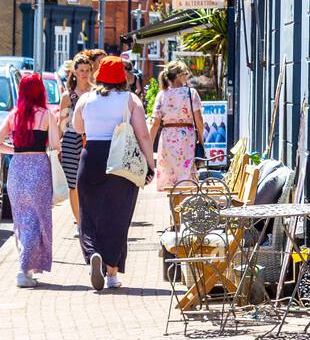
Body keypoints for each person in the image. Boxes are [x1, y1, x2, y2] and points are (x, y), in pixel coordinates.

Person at [72, 56, 155, 291]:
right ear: (122, 77)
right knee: (118, 214)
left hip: (91, 157)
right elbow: (144, 135)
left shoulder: (86, 99)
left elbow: (78, 128)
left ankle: (93, 253)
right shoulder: (130, 100)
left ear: (99, 75)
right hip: (121, 159)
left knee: (88, 212)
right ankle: (111, 273)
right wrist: (149, 165)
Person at [0, 73, 60, 288]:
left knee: (22, 220)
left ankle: (27, 269)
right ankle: (23, 270)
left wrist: (15, 149)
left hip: (18, 169)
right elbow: (56, 145)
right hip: (39, 167)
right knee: (37, 219)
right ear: (40, 92)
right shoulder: (47, 115)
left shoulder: (14, 115)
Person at [149, 61, 204, 191]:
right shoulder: (191, 93)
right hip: (187, 137)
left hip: (167, 137)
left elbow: (155, 123)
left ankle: (174, 206)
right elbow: (199, 121)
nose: (187, 76)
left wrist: (149, 146)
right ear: (179, 75)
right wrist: (201, 139)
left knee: (171, 176)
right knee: (186, 173)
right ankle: (183, 207)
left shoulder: (162, 94)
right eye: (186, 73)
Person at [58, 53, 93, 225]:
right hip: (72, 140)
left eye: (87, 70)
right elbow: (62, 124)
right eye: (81, 70)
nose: (84, 74)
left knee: (90, 182)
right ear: (75, 72)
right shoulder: (68, 96)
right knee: (74, 184)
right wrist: (57, 147)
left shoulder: (95, 93)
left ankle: (89, 219)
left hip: (92, 139)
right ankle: (79, 223)